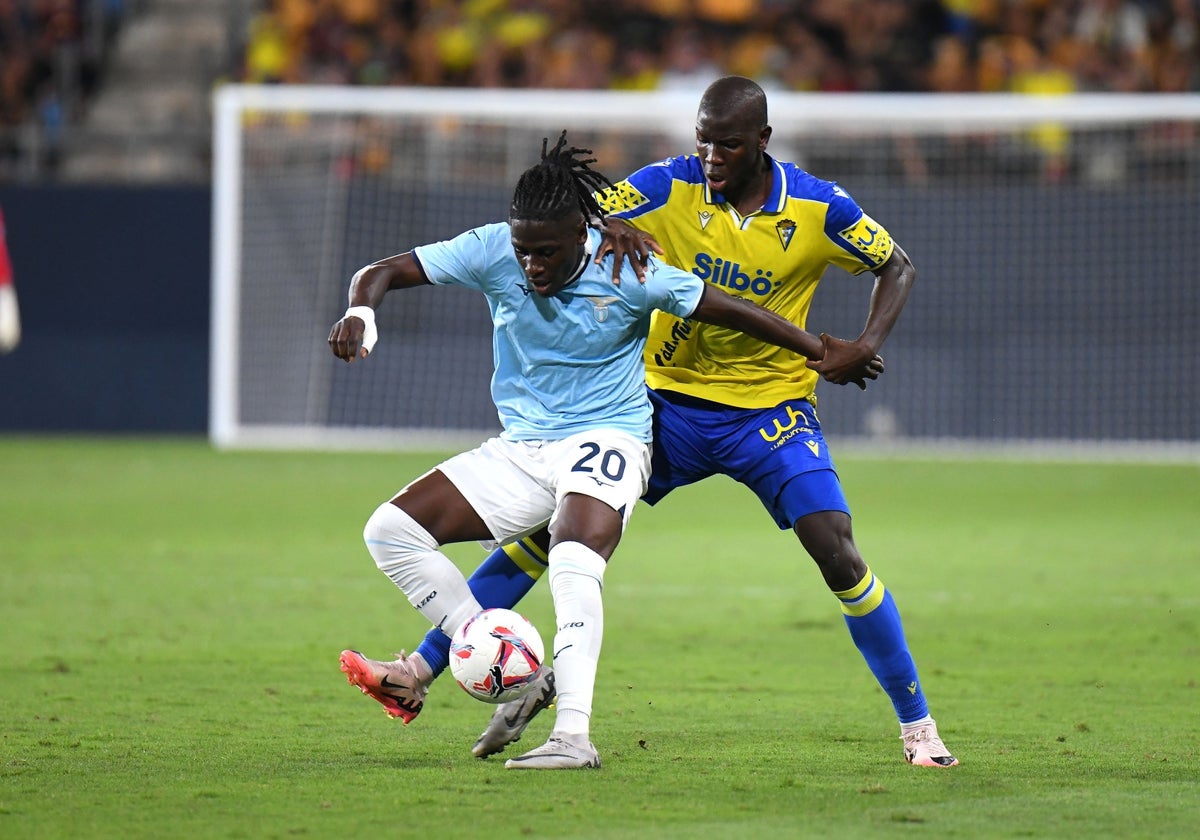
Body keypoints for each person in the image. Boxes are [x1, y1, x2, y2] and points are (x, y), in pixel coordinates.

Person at [376, 77, 958, 769]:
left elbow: (897, 265)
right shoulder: (662, 184)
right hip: (666, 405)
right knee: (549, 532)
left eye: (729, 143)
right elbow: (573, 211)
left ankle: (918, 729)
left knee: (837, 549)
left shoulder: (819, 206)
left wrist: (864, 345)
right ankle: (422, 668)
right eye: (703, 140)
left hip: (771, 412)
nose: (711, 156)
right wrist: (609, 224)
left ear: (763, 142)